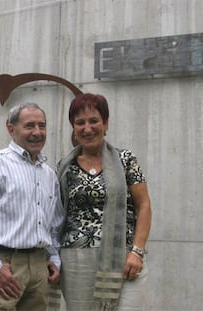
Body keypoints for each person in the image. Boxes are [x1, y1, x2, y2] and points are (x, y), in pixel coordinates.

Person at [0, 102, 66, 310]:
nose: (37, 132)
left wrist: (53, 257)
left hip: (39, 266)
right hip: (6, 263)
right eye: (29, 126)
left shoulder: (49, 174)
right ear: (11, 129)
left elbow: (53, 223)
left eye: (42, 126)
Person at [56, 93, 152, 311]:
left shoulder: (126, 160)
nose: (87, 128)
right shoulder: (64, 167)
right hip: (76, 261)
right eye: (80, 122)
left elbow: (143, 205)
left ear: (105, 123)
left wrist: (137, 251)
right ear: (73, 127)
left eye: (94, 121)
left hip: (124, 258)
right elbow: (56, 215)